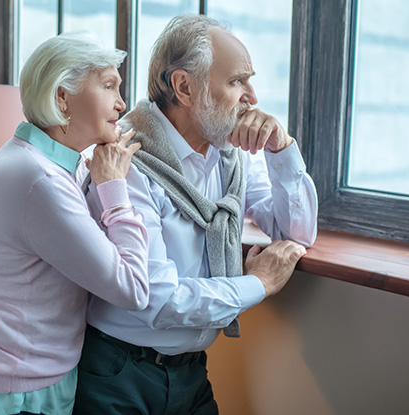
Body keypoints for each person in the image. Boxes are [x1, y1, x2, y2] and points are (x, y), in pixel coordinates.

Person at [75, 14, 318, 414]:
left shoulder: (232, 157)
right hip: (118, 372)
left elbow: (297, 232)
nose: (251, 96)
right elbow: (157, 300)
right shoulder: (125, 163)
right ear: (184, 87)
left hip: (190, 373)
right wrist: (256, 284)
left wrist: (282, 149)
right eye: (237, 80)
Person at [0, 33, 149, 415]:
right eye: (108, 86)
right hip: (15, 395)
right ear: (61, 98)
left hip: (20, 382)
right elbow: (133, 288)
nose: (121, 103)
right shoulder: (39, 180)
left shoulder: (38, 164)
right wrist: (114, 189)